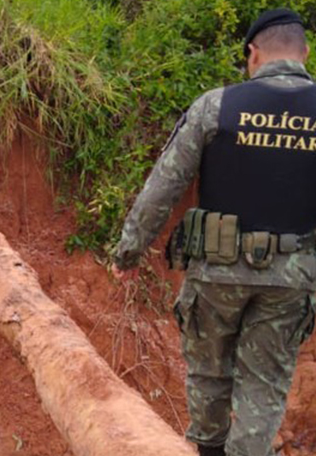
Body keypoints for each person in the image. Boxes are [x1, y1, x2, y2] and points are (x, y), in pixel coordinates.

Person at [111, 8, 316, 456]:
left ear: (253, 54)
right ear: (303, 52)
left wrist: (129, 252)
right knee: (264, 389)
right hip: (289, 279)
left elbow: (162, 187)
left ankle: (206, 451)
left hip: (216, 273)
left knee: (208, 374)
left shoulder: (216, 105)